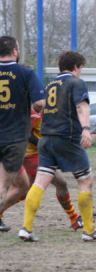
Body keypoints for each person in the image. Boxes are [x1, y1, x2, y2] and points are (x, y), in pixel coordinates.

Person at [18, 51, 96, 242]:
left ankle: (26, 228)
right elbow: (82, 107)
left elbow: (38, 107)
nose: (81, 71)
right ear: (76, 67)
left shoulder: (51, 84)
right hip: (66, 138)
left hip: (45, 139)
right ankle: (89, 230)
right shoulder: (76, 83)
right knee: (85, 180)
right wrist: (85, 129)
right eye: (81, 68)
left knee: (40, 182)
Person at [0, 110, 82, 232]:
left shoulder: (49, 109)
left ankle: (74, 218)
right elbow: (26, 133)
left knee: (31, 190)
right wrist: (45, 144)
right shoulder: (33, 111)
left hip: (38, 154)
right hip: (31, 156)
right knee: (26, 191)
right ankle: (73, 218)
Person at [0, 36, 45, 231]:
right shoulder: (25, 72)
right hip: (13, 138)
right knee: (4, 185)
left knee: (23, 185)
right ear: (15, 51)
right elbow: (39, 104)